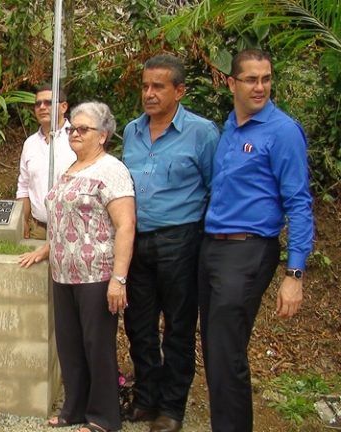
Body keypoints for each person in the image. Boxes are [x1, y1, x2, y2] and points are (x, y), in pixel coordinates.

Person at [199, 49, 313, 432]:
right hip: (212, 246)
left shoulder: (282, 131)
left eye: (266, 78)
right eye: (251, 79)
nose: (260, 86)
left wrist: (294, 273)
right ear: (231, 83)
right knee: (215, 350)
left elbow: (299, 203)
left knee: (227, 352)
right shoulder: (230, 126)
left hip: (249, 251)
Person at [19, 101, 135, 432]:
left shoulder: (111, 170)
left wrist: (119, 279)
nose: (75, 134)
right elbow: (65, 220)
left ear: (103, 135)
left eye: (83, 129)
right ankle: (75, 408)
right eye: (72, 129)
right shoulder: (70, 167)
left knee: (96, 347)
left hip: (96, 275)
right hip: (64, 273)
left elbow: (125, 225)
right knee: (69, 346)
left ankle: (103, 417)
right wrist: (47, 248)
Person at [121, 54, 219, 432]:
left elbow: (216, 188)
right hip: (136, 242)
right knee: (139, 325)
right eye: (145, 86)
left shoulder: (202, 133)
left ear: (179, 91)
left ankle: (171, 407)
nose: (149, 93)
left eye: (158, 87)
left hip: (181, 241)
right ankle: (146, 398)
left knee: (178, 326)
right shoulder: (132, 131)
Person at [16, 83, 76, 240]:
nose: (42, 107)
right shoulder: (29, 144)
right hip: (39, 229)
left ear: (63, 107)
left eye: (48, 102)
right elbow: (24, 186)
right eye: (38, 104)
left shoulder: (77, 138)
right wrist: (22, 220)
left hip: (72, 229)